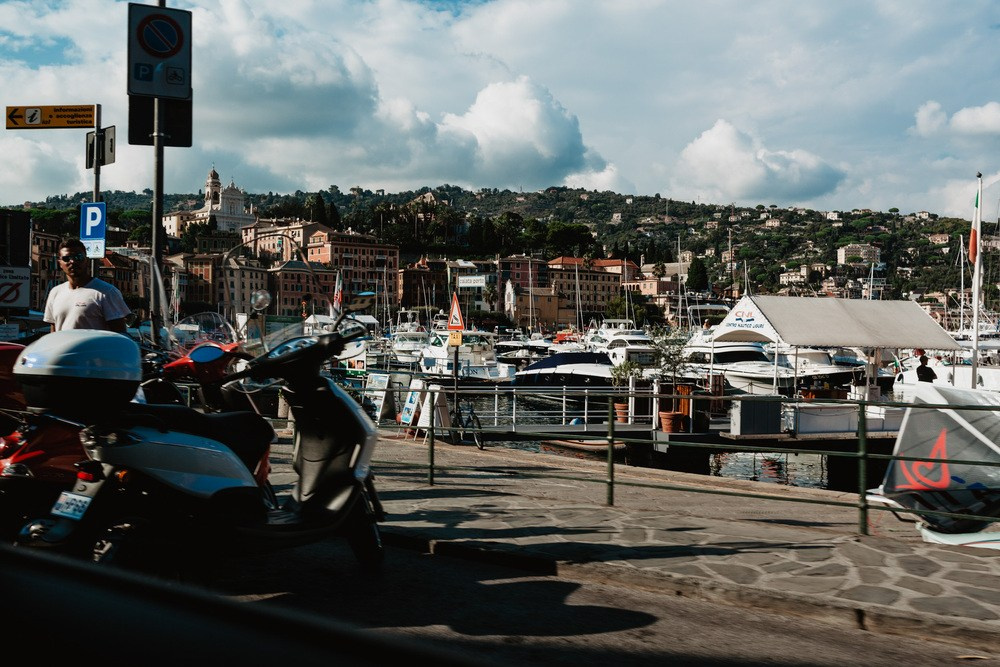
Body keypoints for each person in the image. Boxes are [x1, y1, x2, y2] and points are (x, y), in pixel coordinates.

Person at [44, 238, 130, 333]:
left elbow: (119, 334)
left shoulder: (106, 292)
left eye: (78, 257)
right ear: (59, 263)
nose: (72, 262)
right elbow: (54, 331)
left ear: (87, 260)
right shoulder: (55, 292)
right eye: (66, 258)